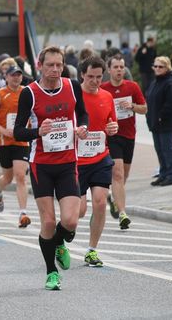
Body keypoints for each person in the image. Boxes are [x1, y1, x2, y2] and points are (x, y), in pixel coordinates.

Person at [13, 46, 89, 290]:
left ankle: (59, 242)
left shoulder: (72, 86)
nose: (55, 70)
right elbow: (18, 131)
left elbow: (83, 114)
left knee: (71, 221)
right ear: (40, 65)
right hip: (41, 165)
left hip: (68, 162)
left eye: (59, 65)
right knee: (48, 222)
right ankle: (51, 273)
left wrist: (82, 128)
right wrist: (38, 132)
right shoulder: (29, 93)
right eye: (50, 65)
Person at [76, 56, 118, 267]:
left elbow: (112, 124)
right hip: (77, 162)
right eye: (90, 76)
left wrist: (113, 128)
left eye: (99, 77)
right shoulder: (74, 96)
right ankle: (62, 233)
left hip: (101, 157)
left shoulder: (107, 96)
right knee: (79, 211)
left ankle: (92, 250)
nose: (94, 81)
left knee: (101, 202)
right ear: (82, 74)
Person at [101, 55, 147, 229]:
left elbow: (144, 108)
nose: (119, 70)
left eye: (122, 67)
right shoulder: (103, 89)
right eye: (116, 67)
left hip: (129, 135)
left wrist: (132, 107)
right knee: (118, 173)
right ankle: (122, 214)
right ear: (109, 70)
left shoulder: (132, 87)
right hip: (112, 136)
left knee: (124, 175)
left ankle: (114, 197)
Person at [0, 64, 31, 228]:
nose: (16, 77)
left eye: (18, 75)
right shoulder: (0, 94)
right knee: (8, 177)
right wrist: (3, 130)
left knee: (20, 176)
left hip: (22, 140)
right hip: (4, 142)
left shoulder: (27, 92)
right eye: (13, 75)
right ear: (7, 77)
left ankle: (23, 213)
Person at [146, 56, 172, 186]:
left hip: (165, 122)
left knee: (167, 148)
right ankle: (164, 173)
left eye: (161, 66)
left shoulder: (169, 82)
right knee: (159, 149)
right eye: (156, 66)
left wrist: (161, 116)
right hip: (155, 122)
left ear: (167, 67)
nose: (158, 69)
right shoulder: (155, 82)